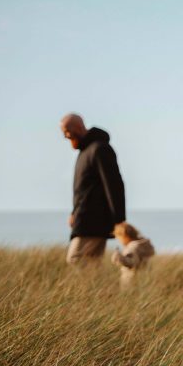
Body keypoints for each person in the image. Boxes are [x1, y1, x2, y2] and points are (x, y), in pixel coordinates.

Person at [60, 113, 126, 266]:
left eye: (66, 131)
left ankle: (92, 290)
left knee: (76, 259)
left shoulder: (100, 149)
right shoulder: (85, 151)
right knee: (91, 264)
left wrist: (120, 221)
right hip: (84, 220)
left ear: (79, 127)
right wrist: (74, 213)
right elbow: (84, 190)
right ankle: (97, 290)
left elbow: (114, 185)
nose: (65, 136)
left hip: (93, 221)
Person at [111, 222, 155, 288]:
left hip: (131, 279)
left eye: (119, 238)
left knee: (128, 296)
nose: (119, 241)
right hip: (143, 278)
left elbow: (132, 262)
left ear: (125, 236)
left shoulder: (132, 247)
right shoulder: (143, 245)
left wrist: (118, 257)